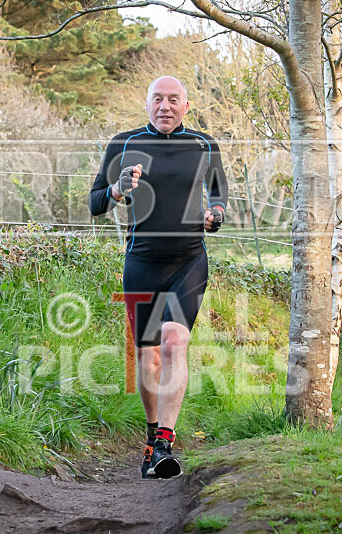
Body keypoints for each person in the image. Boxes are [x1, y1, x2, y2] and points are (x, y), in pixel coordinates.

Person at [88, 76, 228, 478]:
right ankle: (152, 440)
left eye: (173, 100)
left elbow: (218, 195)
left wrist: (214, 215)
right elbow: (95, 201)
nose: (165, 106)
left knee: (173, 342)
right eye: (157, 99)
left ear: (186, 106)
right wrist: (117, 189)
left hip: (188, 260)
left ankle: (165, 441)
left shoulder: (203, 145)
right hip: (142, 263)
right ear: (146, 104)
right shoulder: (124, 144)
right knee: (147, 356)